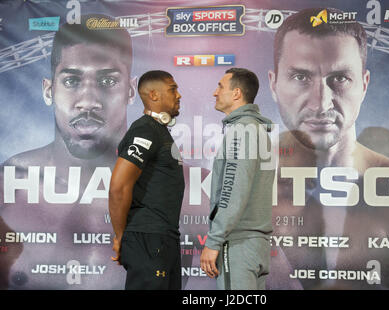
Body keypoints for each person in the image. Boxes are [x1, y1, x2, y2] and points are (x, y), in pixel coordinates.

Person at [267, 8, 389, 289]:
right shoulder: (232, 185)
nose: (321, 103)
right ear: (273, 84)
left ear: (364, 85)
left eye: (339, 78)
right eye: (301, 77)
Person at [0, 14, 136, 289]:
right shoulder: (7, 185)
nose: (88, 102)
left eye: (108, 81)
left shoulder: (185, 189)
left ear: (131, 91)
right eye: (72, 81)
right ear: (49, 90)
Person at [200, 68, 275, 290]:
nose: (215, 92)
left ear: (236, 94)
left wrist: (214, 241)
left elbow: (234, 191)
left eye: (220, 86)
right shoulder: (254, 129)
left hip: (239, 243)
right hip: (254, 244)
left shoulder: (242, 130)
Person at [109, 70, 185, 290]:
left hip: (162, 237)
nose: (179, 95)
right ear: (153, 95)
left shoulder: (159, 131)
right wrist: (120, 236)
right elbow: (118, 187)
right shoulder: (145, 130)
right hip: (148, 238)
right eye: (173, 89)